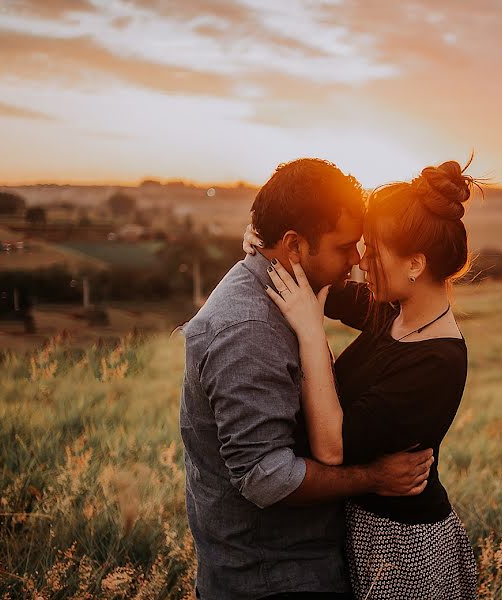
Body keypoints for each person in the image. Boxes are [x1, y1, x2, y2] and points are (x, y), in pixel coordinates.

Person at [180, 158, 434, 600]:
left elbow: (404, 307)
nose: (356, 259)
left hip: (295, 565)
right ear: (294, 245)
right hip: (270, 579)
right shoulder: (247, 333)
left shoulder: (289, 284)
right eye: (344, 246)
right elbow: (266, 476)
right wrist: (373, 477)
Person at [244, 159, 479, 598]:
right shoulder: (393, 312)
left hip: (403, 550)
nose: (360, 262)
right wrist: (268, 244)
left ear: (415, 263)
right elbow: (321, 282)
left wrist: (312, 333)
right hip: (362, 535)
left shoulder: (437, 362)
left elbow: (333, 447)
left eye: (374, 251)